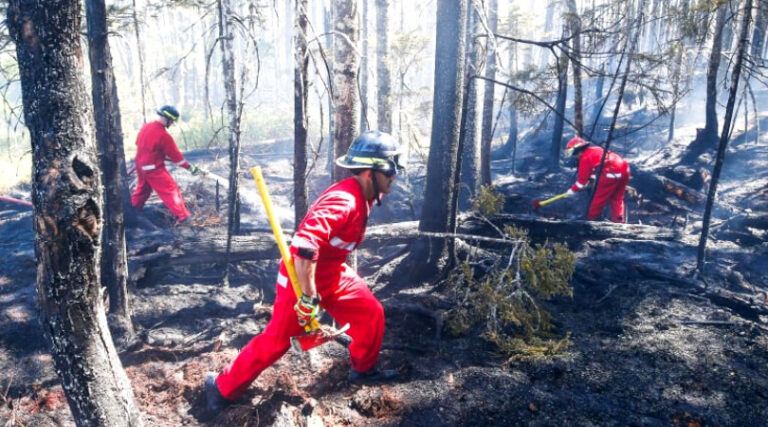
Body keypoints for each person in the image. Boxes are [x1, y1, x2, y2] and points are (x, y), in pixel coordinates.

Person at [204, 131, 403, 413]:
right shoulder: (344, 200)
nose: (395, 174)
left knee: (370, 313)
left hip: (332, 273)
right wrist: (309, 298)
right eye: (391, 167)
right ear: (371, 172)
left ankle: (364, 370)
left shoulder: (366, 195)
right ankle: (222, 386)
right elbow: (305, 245)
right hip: (301, 277)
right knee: (277, 341)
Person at [130, 105, 200, 225]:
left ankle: (131, 213)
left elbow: (142, 146)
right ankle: (183, 217)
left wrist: (157, 155)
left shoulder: (145, 127)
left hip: (141, 166)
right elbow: (177, 158)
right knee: (171, 190)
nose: (172, 124)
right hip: (153, 168)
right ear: (167, 118)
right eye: (172, 121)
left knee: (143, 191)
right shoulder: (164, 135)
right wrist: (190, 167)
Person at [563, 136, 630, 223]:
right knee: (617, 198)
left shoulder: (584, 158)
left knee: (598, 200)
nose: (574, 156)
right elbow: (596, 169)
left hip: (610, 173)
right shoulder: (595, 149)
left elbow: (581, 182)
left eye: (573, 153)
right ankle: (619, 222)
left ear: (577, 150)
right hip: (624, 169)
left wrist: (572, 190)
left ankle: (591, 222)